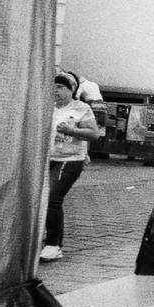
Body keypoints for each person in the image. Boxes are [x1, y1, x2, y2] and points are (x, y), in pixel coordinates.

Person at [45, 71, 101, 262]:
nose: (56, 91)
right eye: (54, 87)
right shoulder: (48, 107)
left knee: (53, 198)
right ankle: (50, 240)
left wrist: (71, 130)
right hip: (47, 158)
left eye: (61, 87)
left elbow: (94, 133)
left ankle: (53, 246)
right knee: (45, 200)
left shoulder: (81, 108)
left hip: (70, 159)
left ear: (71, 90)